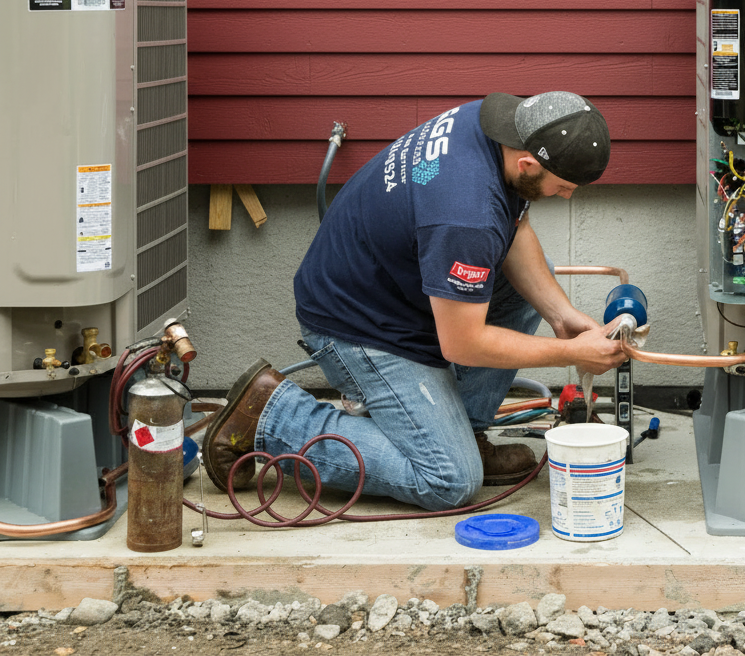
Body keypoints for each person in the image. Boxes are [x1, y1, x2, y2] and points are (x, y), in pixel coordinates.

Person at [201, 91, 627, 509]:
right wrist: (569, 353)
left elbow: (514, 228)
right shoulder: (466, 213)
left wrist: (562, 315)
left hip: (395, 290)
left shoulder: (498, 125)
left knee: (538, 280)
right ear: (528, 163)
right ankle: (273, 418)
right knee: (450, 480)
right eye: (565, 186)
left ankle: (463, 431)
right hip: (359, 327)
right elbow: (464, 344)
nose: (568, 195)